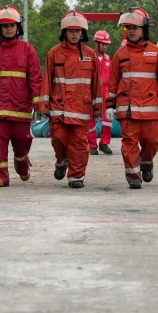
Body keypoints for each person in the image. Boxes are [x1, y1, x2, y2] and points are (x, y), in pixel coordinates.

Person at [0, 5, 43, 187]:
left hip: (20, 109)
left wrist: (39, 104)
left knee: (23, 141)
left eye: (12, 25)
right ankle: (0, 175)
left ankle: (21, 162)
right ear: (0, 28)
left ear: (17, 27)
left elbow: (35, 78)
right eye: (5, 26)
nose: (8, 29)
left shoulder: (27, 49)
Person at [106, 7, 158, 189]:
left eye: (135, 27)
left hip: (151, 108)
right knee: (129, 144)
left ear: (144, 29)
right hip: (127, 109)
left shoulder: (156, 52)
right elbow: (112, 83)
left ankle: (147, 163)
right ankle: (134, 176)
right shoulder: (120, 54)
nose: (132, 31)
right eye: (128, 28)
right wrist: (109, 106)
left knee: (152, 142)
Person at [39, 10, 103, 189]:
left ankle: (76, 176)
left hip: (81, 108)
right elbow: (47, 80)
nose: (74, 34)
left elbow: (96, 84)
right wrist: (44, 106)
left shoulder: (90, 55)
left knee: (80, 144)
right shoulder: (54, 53)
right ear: (64, 32)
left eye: (78, 31)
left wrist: (98, 109)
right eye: (71, 31)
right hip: (58, 107)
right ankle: (62, 161)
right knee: (58, 139)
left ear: (83, 32)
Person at [87, 30, 114, 155]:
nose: (105, 47)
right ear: (96, 43)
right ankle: (92, 145)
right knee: (91, 119)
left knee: (107, 119)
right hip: (92, 93)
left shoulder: (108, 60)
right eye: (103, 44)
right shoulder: (89, 57)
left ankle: (104, 143)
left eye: (106, 44)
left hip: (106, 93)